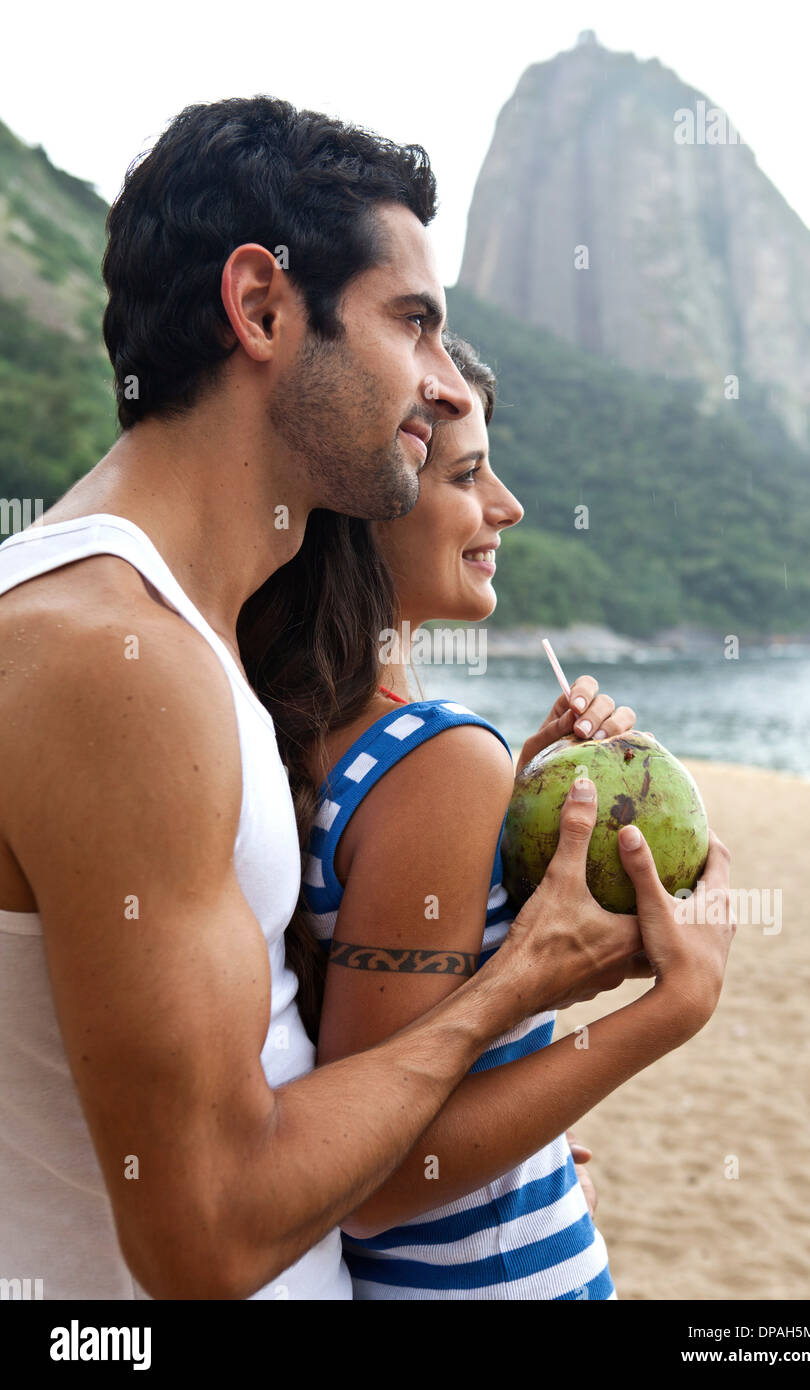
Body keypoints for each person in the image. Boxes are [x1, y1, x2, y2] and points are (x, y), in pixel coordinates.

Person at [0, 96, 733, 1302]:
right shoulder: (114, 658)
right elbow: (207, 1238)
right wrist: (520, 984)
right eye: (414, 325)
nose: (441, 383)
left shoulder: (184, 637)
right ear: (262, 307)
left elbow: (268, 1051)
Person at [267, 333, 733, 1298]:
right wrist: (670, 1011)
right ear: (368, 504)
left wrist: (508, 793)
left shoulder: (317, 732)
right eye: (469, 473)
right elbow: (382, 1178)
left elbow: (370, 1057)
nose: (510, 507)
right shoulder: (433, 758)